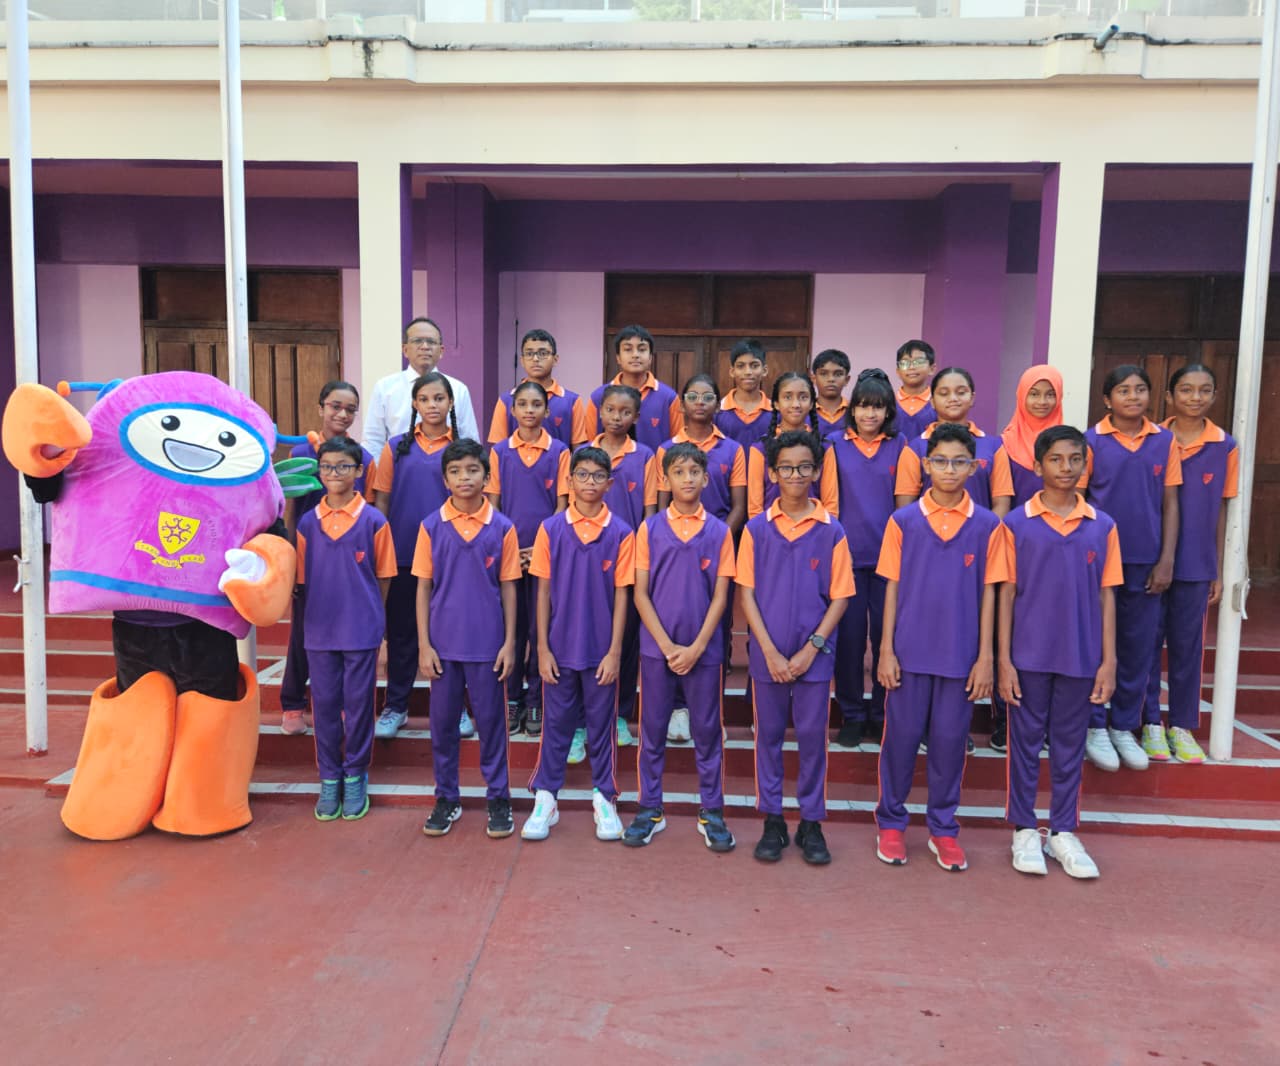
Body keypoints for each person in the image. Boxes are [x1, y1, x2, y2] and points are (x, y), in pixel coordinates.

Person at [874, 423, 1007, 872]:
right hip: (909, 654)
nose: (949, 470)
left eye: (959, 462)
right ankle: (891, 823)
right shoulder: (903, 521)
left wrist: (985, 658)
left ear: (974, 467)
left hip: (960, 656)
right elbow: (891, 587)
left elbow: (990, 593)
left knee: (950, 744)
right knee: (900, 742)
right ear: (926, 465)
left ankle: (943, 828)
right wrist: (886, 650)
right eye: (941, 461)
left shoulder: (988, 525)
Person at [1000, 425, 1119, 879]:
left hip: (1080, 656)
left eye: (1075, 459)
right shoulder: (1016, 524)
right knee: (1025, 745)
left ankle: (1063, 830)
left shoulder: (1102, 526)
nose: (1066, 468)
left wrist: (1108, 661)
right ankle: (1024, 829)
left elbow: (1108, 596)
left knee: (1070, 746)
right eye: (1055, 459)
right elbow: (1006, 595)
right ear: (1037, 466)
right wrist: (1004, 659)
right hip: (1027, 656)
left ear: (1086, 465)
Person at [738, 430, 854, 866]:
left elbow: (840, 596)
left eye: (804, 467)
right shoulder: (756, 529)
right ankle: (772, 820)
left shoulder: (831, 530)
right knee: (767, 737)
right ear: (772, 473)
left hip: (815, 657)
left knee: (811, 739)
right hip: (767, 654)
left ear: (816, 471)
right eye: (786, 467)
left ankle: (811, 821)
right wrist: (768, 651)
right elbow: (746, 593)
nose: (795, 475)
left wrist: (812, 648)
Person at [626, 442, 737, 852]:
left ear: (706, 478)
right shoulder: (649, 529)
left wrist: (696, 647)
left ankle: (712, 811)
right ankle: (649, 808)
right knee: (652, 731)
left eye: (694, 472)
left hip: (704, 652)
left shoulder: (720, 532)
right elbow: (640, 594)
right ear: (666, 479)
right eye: (679, 472)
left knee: (707, 732)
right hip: (658, 650)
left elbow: (721, 597)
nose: (687, 479)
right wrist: (667, 645)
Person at [521, 447, 635, 843]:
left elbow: (622, 595)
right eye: (582, 475)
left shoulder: (621, 532)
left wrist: (615, 652)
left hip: (601, 651)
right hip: (559, 648)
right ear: (569, 481)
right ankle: (546, 797)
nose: (589, 482)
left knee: (602, 727)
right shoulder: (550, 529)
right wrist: (542, 650)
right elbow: (542, 592)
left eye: (598, 476)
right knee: (556, 726)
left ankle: (604, 797)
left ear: (610, 483)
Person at [415, 440, 523, 839]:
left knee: (492, 725)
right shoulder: (430, 526)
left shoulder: (503, 527)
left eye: (473, 470)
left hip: (488, 646)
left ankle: (498, 797)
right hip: (443, 646)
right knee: (442, 727)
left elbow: (509, 588)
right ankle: (447, 797)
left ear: (487, 477)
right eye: (456, 471)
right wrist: (424, 645)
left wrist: (509, 643)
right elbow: (423, 588)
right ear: (445, 480)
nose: (465, 477)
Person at [1080, 365, 1180, 774]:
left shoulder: (1164, 441)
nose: (1133, 396)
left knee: (1138, 646)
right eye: (1123, 390)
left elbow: (1170, 503)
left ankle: (1123, 725)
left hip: (1144, 560)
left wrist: (1166, 559)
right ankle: (1094, 724)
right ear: (1107, 399)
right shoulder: (1090, 440)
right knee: (1095, 642)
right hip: (1098, 560)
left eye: (1140, 389)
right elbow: (1079, 498)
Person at [295, 437, 398, 822]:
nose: (334, 473)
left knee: (358, 706)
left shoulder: (374, 521)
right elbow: (302, 581)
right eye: (327, 466)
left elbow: (384, 577)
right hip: (320, 630)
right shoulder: (307, 523)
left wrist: (374, 619)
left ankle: (355, 774)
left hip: (361, 629)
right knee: (323, 706)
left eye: (343, 466)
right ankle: (329, 777)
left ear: (359, 472)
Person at [1141, 364, 1237, 765]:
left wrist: (1217, 567)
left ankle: (1181, 724)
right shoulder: (1152, 440)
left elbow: (1223, 509)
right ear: (1169, 396)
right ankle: (1149, 722)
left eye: (1204, 390)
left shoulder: (1225, 446)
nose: (1195, 397)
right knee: (1145, 642)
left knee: (1187, 646)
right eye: (1186, 389)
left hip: (1196, 564)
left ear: (1215, 395)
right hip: (1149, 559)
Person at [372, 373, 473, 741]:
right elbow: (382, 501)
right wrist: (381, 552)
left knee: (449, 636)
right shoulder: (395, 448)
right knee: (402, 635)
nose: (433, 405)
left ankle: (455, 709)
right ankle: (395, 706)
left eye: (439, 398)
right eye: (425, 399)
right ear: (414, 404)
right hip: (402, 553)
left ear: (451, 403)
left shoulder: (462, 448)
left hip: (451, 557)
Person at [279, 381, 377, 737]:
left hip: (349, 560)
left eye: (350, 409)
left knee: (348, 636)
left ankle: (349, 707)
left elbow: (369, 511)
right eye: (336, 406)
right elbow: (291, 510)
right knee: (303, 632)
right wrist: (291, 558)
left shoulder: (363, 458)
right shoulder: (301, 453)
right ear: (321, 407)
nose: (342, 414)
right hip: (310, 558)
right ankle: (293, 703)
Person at [819, 369, 908, 749]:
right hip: (849, 560)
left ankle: (883, 714)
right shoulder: (833, 444)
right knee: (851, 641)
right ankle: (853, 714)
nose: (870, 414)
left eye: (878, 407)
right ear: (851, 409)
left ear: (888, 412)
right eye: (863, 406)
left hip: (889, 561)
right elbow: (829, 505)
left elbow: (905, 506)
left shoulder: (900, 445)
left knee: (886, 637)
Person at [655, 373, 747, 741]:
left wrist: (713, 536)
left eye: (707, 396)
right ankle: (678, 709)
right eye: (692, 396)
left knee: (716, 627)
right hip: (672, 549)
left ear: (717, 404)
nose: (699, 402)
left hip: (715, 546)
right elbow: (660, 506)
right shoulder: (666, 449)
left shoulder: (733, 449)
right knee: (675, 623)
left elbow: (739, 506)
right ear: (681, 403)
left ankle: (711, 710)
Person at [486, 381, 570, 738]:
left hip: (545, 555)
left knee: (540, 629)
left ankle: (536, 697)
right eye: (522, 404)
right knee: (512, 628)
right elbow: (493, 506)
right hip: (508, 556)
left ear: (547, 411)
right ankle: (512, 697)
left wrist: (538, 550)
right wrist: (510, 551)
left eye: (537, 404)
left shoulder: (560, 452)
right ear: (513, 410)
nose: (530, 410)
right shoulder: (500, 452)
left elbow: (562, 507)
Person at [582, 383, 657, 753]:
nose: (616, 417)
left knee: (625, 639)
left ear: (636, 417)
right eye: (610, 409)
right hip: (586, 557)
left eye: (625, 412)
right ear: (600, 411)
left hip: (628, 557)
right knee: (585, 635)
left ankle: (621, 714)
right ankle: (581, 719)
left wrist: (642, 556)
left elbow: (649, 512)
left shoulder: (645, 456)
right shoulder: (583, 453)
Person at [363, 317, 479, 460]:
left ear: (441, 351)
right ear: (405, 350)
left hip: (447, 469)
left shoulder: (458, 389)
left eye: (431, 342)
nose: (425, 346)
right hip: (398, 469)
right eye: (417, 341)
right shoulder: (385, 388)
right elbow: (373, 441)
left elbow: (470, 440)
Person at [894, 367, 1006, 511]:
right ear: (932, 401)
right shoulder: (914, 449)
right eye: (944, 393)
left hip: (979, 526)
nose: (953, 398)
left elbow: (1001, 504)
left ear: (972, 398)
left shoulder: (994, 447)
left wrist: (988, 526)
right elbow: (905, 506)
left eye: (961, 392)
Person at [487, 328, 590, 449]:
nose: (535, 359)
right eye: (529, 354)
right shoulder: (506, 400)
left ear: (555, 359)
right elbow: (498, 450)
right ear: (522, 361)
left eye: (543, 353)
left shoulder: (572, 401)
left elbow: (578, 451)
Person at [585, 324, 683, 452]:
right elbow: (591, 444)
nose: (635, 355)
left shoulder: (668, 397)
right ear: (618, 357)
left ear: (650, 357)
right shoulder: (598, 396)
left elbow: (677, 445)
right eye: (628, 349)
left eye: (642, 349)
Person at [746, 371, 823, 519]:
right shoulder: (760, 448)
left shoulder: (823, 446)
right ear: (776, 403)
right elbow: (755, 508)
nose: (796, 404)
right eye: (788, 397)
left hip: (814, 529)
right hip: (770, 529)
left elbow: (831, 505)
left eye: (803, 397)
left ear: (812, 403)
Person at [992, 366, 1065, 512]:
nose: (1042, 401)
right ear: (1021, 395)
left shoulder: (1067, 444)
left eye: (1050, 394)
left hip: (1059, 523)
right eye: (1034, 394)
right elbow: (1001, 502)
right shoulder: (1004, 444)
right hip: (1014, 523)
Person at [716, 339, 772, 448]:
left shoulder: (776, 412)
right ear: (732, 372)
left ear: (764, 370)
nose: (748, 372)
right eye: (741, 366)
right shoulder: (718, 410)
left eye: (754, 365)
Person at [894, 339, 937, 440]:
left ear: (932, 369)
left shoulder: (938, 402)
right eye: (905, 363)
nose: (912, 367)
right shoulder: (888, 402)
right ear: (898, 371)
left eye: (919, 362)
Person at [811, 348, 852, 438]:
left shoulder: (854, 412)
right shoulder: (804, 411)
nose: (831, 379)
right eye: (823, 374)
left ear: (846, 380)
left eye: (838, 374)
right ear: (814, 379)